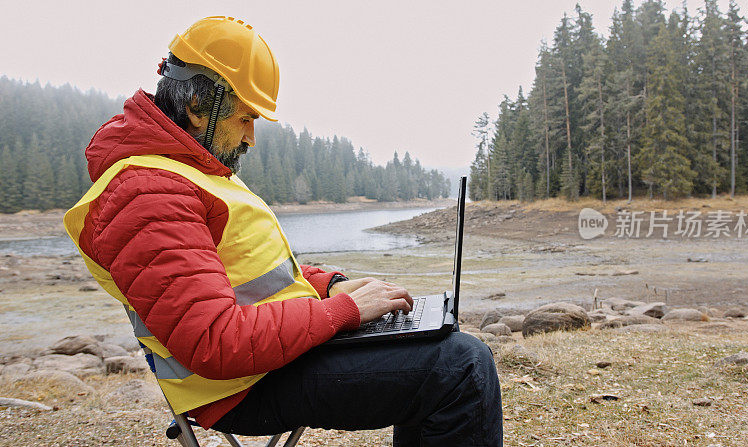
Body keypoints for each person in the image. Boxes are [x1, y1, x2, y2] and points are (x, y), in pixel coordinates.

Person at [63, 16, 502, 446]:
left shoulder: (190, 170)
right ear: (198, 107)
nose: (251, 138)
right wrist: (344, 312)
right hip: (239, 388)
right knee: (459, 367)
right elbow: (213, 342)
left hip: (273, 356)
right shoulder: (146, 192)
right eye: (245, 118)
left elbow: (253, 275)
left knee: (442, 344)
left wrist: (332, 286)